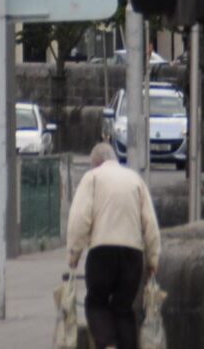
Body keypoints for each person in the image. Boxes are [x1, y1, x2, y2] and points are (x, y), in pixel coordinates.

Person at [65, 139, 161, 349]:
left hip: (102, 251)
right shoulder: (135, 180)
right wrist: (153, 259)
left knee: (96, 302)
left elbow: (80, 219)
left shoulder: (92, 178)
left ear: (95, 163)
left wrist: (74, 254)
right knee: (123, 308)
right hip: (132, 253)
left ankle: (107, 343)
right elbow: (150, 223)